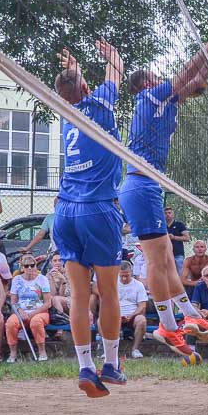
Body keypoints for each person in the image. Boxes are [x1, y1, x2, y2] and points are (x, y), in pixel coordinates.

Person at [119, 17, 208, 358]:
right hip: (139, 185)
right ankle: (167, 326)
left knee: (166, 263)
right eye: (157, 77)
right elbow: (188, 70)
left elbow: (198, 80)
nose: (163, 80)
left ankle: (189, 317)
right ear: (146, 83)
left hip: (146, 188)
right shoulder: (149, 99)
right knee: (160, 263)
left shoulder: (165, 103)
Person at [52, 37, 127, 396]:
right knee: (109, 293)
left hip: (64, 210)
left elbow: (71, 86)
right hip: (98, 208)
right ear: (85, 86)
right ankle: (111, 363)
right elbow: (118, 69)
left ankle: (85, 368)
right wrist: (110, 55)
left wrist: (76, 68)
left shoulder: (65, 113)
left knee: (80, 297)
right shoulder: (99, 104)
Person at [6, 254, 52, 363]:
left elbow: (47, 303)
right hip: (21, 311)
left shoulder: (42, 279)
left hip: (39, 311)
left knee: (36, 322)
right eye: (26, 266)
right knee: (10, 323)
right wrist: (21, 312)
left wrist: (32, 314)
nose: (30, 268)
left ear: (36, 266)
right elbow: (13, 302)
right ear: (22, 268)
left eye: (32, 265)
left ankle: (42, 351)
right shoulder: (16, 280)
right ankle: (13, 352)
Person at [117, 261, 149, 359]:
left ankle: (135, 349)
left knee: (142, 321)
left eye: (126, 276)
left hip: (133, 315)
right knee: (102, 320)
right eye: (121, 276)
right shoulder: (112, 284)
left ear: (131, 272)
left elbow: (142, 305)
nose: (124, 278)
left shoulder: (138, 285)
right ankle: (109, 350)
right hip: (116, 314)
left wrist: (131, 316)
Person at [164, 207, 190, 276]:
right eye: (165, 213)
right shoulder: (161, 226)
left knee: (180, 274)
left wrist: (174, 237)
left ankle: (181, 286)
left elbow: (187, 238)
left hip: (178, 255)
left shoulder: (179, 224)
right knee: (166, 275)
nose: (167, 215)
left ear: (173, 214)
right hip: (164, 255)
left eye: (169, 213)